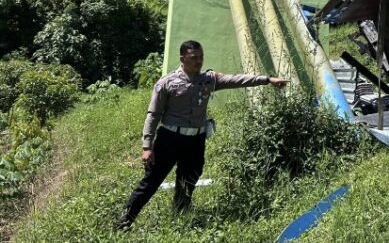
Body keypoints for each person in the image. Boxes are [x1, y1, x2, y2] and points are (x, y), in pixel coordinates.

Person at [117, 40, 287, 230]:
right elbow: (153, 114)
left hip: (196, 140)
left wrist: (267, 79)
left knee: (189, 178)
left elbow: (237, 80)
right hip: (169, 139)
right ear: (182, 58)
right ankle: (124, 222)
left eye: (201, 57)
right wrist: (147, 147)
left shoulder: (209, 79)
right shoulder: (167, 83)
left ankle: (180, 216)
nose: (198, 61)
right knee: (151, 181)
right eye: (193, 58)